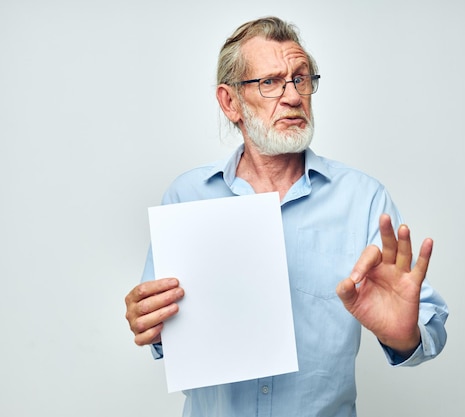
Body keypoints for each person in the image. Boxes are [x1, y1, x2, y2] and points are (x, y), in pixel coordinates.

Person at [125, 16, 448, 417]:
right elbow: (160, 332)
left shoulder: (363, 199)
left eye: (301, 79)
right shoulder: (186, 197)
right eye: (271, 82)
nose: (294, 96)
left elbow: (426, 327)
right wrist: (150, 323)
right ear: (230, 102)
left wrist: (406, 336)